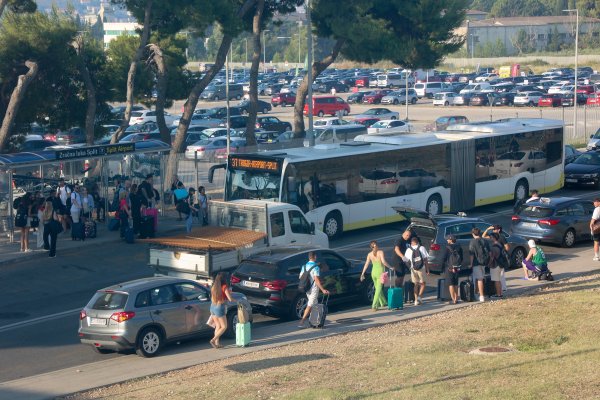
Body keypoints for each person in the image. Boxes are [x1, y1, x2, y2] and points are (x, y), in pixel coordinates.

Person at [298, 252, 330, 328]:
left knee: (314, 304)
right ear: (315, 257)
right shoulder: (316, 267)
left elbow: (300, 277)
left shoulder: (304, 266)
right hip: (314, 288)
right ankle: (301, 322)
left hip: (307, 288)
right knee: (310, 305)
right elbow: (316, 280)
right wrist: (322, 289)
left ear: (309, 257)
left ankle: (315, 321)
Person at [360, 241, 392, 311]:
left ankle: (383, 302)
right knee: (378, 289)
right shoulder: (380, 252)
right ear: (377, 246)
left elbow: (366, 264)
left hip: (373, 272)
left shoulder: (369, 254)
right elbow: (383, 262)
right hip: (380, 272)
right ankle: (374, 305)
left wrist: (362, 273)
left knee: (377, 288)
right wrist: (390, 267)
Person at [209, 272, 235, 348]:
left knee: (218, 326)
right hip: (220, 307)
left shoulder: (213, 286)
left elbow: (212, 298)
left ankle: (217, 343)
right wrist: (236, 300)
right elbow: (230, 299)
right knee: (224, 327)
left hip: (212, 307)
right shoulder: (224, 287)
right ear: (224, 279)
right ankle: (213, 340)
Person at [483, 224, 509, 292]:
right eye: (493, 229)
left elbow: (507, 247)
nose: (493, 230)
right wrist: (488, 229)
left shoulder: (502, 237)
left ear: (498, 230)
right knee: (499, 276)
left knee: (501, 275)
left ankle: (503, 288)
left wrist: (502, 252)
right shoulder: (492, 236)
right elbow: (483, 236)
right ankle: (501, 289)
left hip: (500, 257)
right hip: (496, 257)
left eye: (494, 229)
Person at [404, 237, 430, 305]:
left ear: (411, 243)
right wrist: (427, 269)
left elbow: (405, 260)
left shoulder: (408, 250)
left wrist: (410, 267)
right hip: (421, 268)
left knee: (416, 284)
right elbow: (425, 259)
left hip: (413, 269)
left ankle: (415, 300)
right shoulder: (422, 248)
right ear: (417, 242)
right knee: (423, 283)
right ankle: (419, 297)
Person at [469, 227, 490, 302]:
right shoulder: (485, 241)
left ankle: (481, 296)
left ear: (473, 234)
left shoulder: (472, 242)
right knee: (481, 277)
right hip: (484, 262)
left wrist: (471, 264)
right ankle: (477, 292)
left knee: (479, 279)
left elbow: (471, 254)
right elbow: (489, 252)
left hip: (476, 262)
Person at [442, 235, 462, 304]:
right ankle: (456, 298)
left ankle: (453, 299)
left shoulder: (447, 248)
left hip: (449, 268)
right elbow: (461, 258)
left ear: (451, 240)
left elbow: (444, 258)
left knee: (451, 284)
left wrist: (443, 267)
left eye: (448, 239)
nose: (447, 240)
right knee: (456, 283)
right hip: (457, 267)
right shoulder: (459, 247)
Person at [488, 233, 505, 298]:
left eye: (491, 237)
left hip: (495, 265)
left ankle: (498, 294)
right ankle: (500, 293)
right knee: (499, 280)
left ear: (494, 238)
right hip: (501, 264)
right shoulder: (500, 245)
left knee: (496, 281)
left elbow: (492, 257)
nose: (490, 238)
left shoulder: (493, 246)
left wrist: (489, 264)